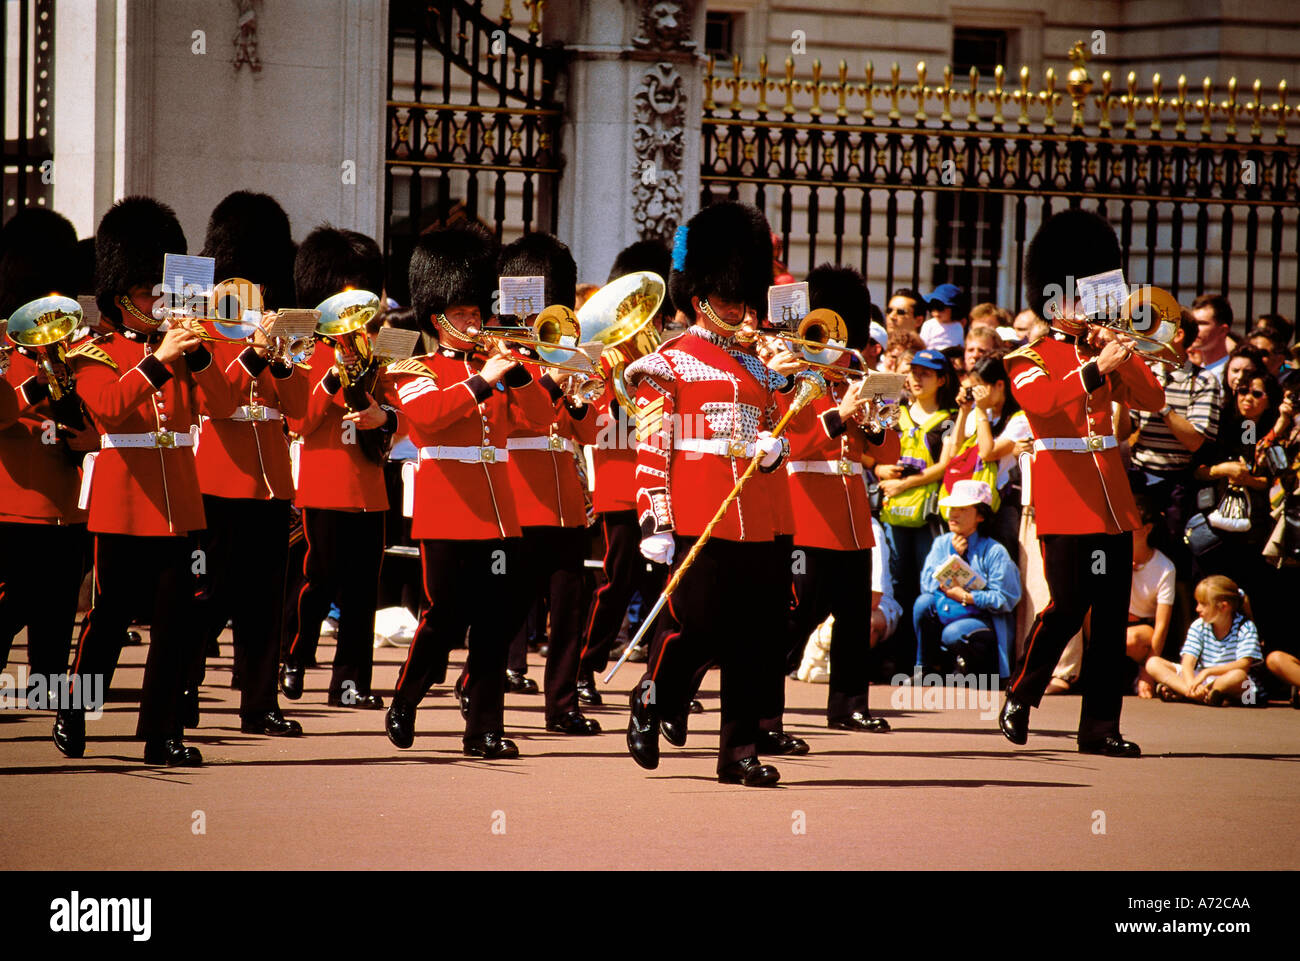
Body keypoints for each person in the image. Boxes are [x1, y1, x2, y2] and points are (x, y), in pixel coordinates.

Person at [58, 196, 239, 766]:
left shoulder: (186, 349)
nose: (158, 301)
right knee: (109, 616)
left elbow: (228, 405)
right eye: (146, 293)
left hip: (178, 502)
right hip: (123, 498)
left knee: (176, 622)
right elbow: (109, 410)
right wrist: (158, 360)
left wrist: (203, 354)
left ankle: (161, 734)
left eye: (160, 290)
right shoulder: (93, 351)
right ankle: (74, 708)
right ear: (120, 298)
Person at [624, 201, 793, 787]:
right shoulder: (665, 365)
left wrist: (774, 453)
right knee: (698, 629)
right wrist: (655, 520)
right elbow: (654, 450)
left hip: (751, 520)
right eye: (729, 299)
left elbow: (779, 432)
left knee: (749, 639)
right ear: (700, 299)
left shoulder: (759, 368)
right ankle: (652, 696)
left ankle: (738, 753)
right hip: (695, 514)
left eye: (744, 297)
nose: (742, 310)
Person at [998, 208, 1165, 758]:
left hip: (1112, 502)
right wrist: (1095, 368)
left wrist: (1120, 353)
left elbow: (1153, 400)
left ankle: (1099, 727)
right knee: (1068, 605)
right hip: (1065, 498)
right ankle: (1023, 694)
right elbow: (1043, 404)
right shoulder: (1027, 356)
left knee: (1111, 617)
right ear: (1053, 301)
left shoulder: (1102, 349)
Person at [384, 223, 554, 758]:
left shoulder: (499, 367)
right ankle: (406, 697)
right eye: (464, 314)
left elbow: (542, 419)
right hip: (446, 511)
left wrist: (521, 374)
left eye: (478, 312)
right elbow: (430, 418)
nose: (476, 321)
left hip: (499, 514)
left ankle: (482, 729)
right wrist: (485, 379)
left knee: (495, 624)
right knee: (442, 618)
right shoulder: (413, 367)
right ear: (438, 318)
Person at [189, 191, 306, 737]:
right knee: (211, 598)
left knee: (263, 602)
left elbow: (302, 412)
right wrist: (255, 353)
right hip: (220, 480)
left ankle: (260, 705)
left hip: (270, 485)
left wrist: (280, 362)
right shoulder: (204, 332)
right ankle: (182, 690)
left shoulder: (278, 333)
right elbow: (217, 399)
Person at [778, 264, 899, 731]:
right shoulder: (796, 375)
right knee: (796, 616)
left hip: (851, 514)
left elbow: (890, 449)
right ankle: (763, 704)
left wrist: (875, 422)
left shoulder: (860, 372)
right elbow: (791, 440)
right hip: (807, 512)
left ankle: (849, 706)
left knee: (853, 615)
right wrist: (839, 414)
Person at [280, 226, 396, 710]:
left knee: (362, 594)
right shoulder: (307, 354)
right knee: (316, 582)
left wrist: (381, 413)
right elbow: (300, 422)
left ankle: (350, 682)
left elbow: (396, 419)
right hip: (324, 486)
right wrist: (331, 379)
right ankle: (293, 655)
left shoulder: (379, 353)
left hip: (369, 487)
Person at [491, 231, 602, 734]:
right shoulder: (501, 359)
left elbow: (592, 431)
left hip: (566, 503)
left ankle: (562, 706)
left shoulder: (563, 353)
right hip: (520, 495)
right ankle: (480, 684)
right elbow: (513, 423)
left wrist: (579, 396)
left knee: (568, 609)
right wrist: (550, 379)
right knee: (509, 609)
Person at [0, 209, 95, 698]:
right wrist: (35, 391)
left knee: (58, 613)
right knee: (9, 608)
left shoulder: (80, 353)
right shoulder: (3, 351)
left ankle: (50, 696)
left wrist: (91, 439)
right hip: (14, 504)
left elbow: (104, 418)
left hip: (67, 505)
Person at [576, 240, 674, 704]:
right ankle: (584, 666)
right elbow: (593, 424)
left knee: (667, 586)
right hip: (621, 485)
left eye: (653, 316)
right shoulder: (603, 362)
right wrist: (621, 399)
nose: (650, 324)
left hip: (667, 485)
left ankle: (660, 677)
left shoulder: (668, 359)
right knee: (620, 583)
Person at [876, 347, 958, 669]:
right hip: (893, 512)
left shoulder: (950, 419)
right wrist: (878, 469)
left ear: (941, 379)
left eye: (926, 373)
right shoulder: (894, 412)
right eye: (914, 371)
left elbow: (946, 465)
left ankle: (926, 661)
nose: (917, 378)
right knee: (893, 586)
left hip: (927, 516)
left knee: (928, 584)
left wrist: (905, 484)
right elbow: (870, 449)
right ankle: (890, 659)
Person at [912, 480, 1021, 678]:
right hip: (947, 609)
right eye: (953, 508)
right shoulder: (941, 543)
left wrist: (968, 597)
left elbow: (1006, 598)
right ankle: (924, 669)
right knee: (923, 604)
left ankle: (975, 672)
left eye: (962, 509)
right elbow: (926, 585)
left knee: (952, 633)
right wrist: (952, 557)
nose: (953, 514)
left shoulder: (994, 551)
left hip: (980, 620)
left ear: (980, 515)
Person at [1146, 575, 1262, 705]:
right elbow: (1188, 662)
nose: (1197, 608)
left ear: (1224, 607)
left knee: (1238, 676)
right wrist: (1191, 683)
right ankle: (1192, 693)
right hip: (1202, 680)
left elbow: (1243, 664)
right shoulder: (1199, 625)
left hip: (1228, 680)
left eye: (1203, 604)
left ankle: (1195, 693)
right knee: (1153, 663)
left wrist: (1208, 672)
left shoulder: (1244, 627)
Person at [1123, 499, 1176, 698]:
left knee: (1129, 639)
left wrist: (1149, 671)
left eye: (1131, 526)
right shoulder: (1111, 556)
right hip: (1112, 621)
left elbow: (1162, 624)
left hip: (1142, 630)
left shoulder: (1165, 567)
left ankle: (1141, 668)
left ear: (1147, 529)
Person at [1189, 294, 1233, 381]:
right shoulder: (1193, 371)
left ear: (1223, 330)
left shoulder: (1232, 372)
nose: (1194, 328)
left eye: (1202, 323)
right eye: (1194, 322)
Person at [919, 284, 966, 350]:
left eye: (940, 308)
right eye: (932, 308)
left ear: (953, 309)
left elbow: (960, 346)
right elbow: (922, 345)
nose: (936, 313)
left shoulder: (957, 326)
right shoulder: (929, 325)